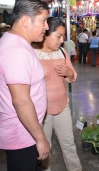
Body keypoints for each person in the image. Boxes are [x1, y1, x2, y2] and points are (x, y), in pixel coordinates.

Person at [0, 0, 50, 171]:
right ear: (26, 21)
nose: (47, 27)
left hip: (24, 132)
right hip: (22, 135)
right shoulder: (16, 51)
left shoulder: (16, 42)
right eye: (43, 21)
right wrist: (40, 138)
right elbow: (21, 101)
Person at [33, 17, 82, 171]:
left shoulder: (61, 52)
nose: (61, 41)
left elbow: (72, 76)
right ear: (46, 34)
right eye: (58, 36)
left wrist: (69, 72)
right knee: (45, 148)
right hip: (42, 111)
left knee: (69, 144)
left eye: (63, 37)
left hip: (62, 107)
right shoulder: (32, 54)